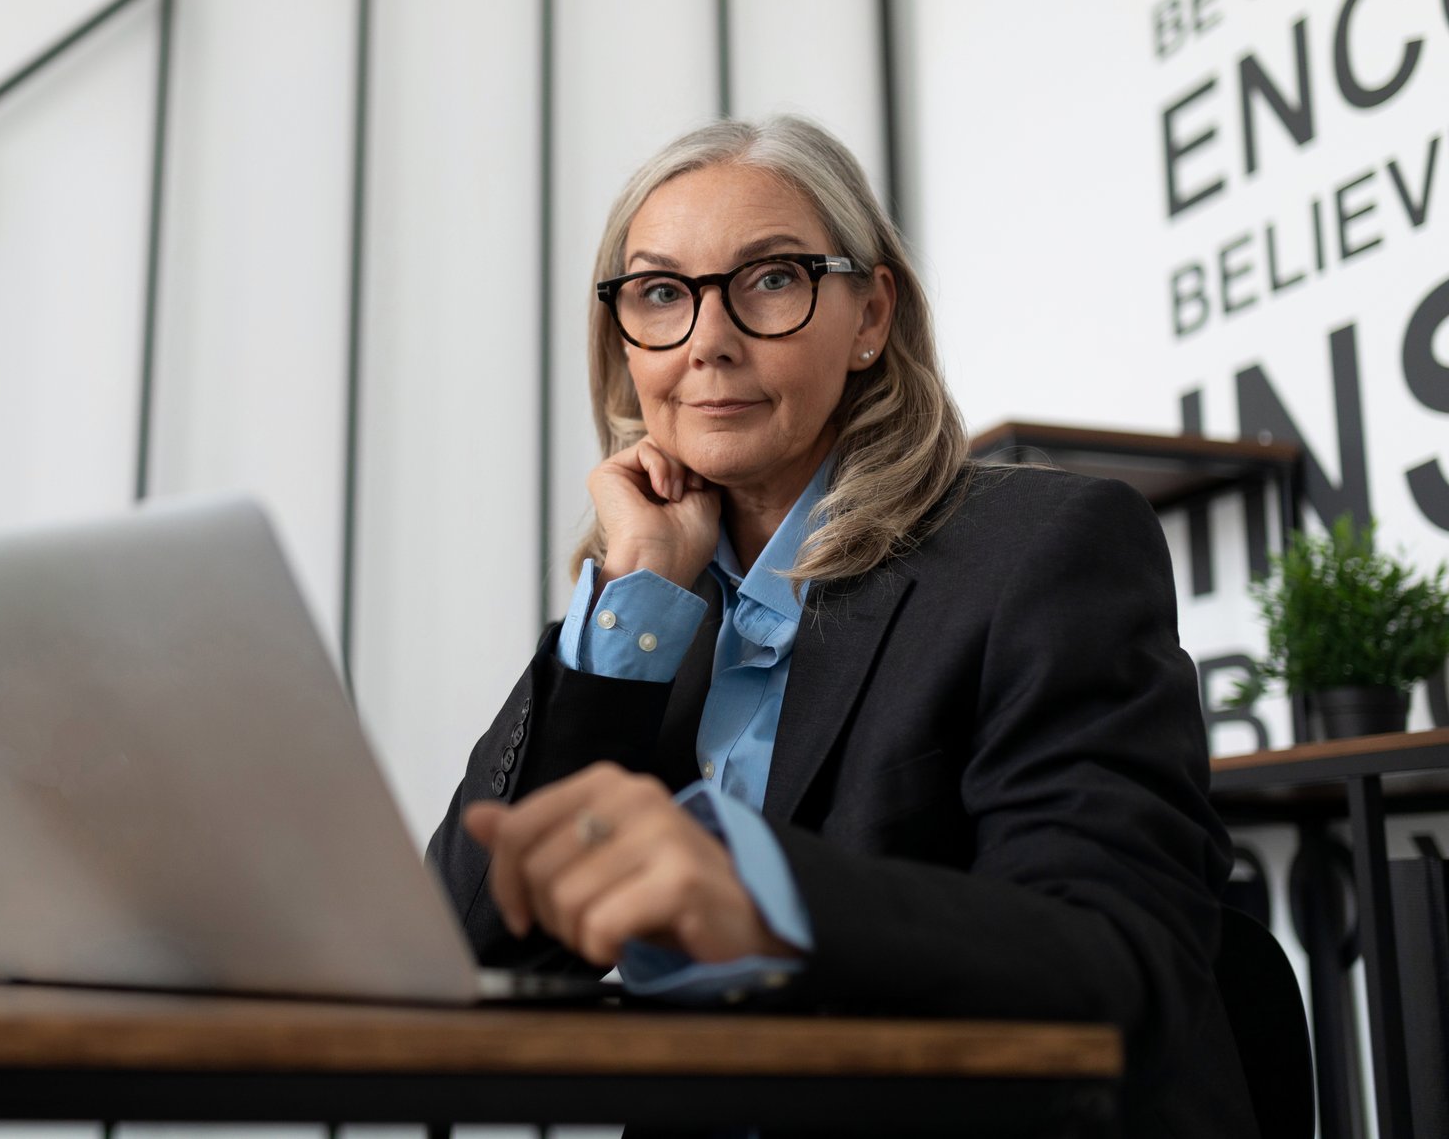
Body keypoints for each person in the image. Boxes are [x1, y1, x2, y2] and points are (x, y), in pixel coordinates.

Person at [425, 115, 1257, 1138]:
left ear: (870, 314)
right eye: (660, 293)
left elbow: (1116, 957)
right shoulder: (651, 615)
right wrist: (634, 590)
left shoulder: (1046, 551)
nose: (707, 338)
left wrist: (769, 893)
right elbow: (466, 951)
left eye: (771, 278)